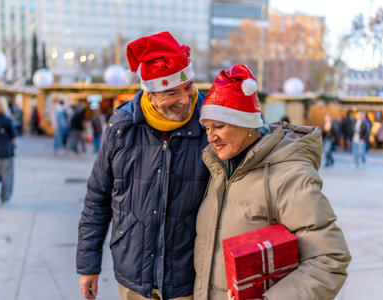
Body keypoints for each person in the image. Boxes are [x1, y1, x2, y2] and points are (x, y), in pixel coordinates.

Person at [193, 64, 351, 299]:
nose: (210, 136)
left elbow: (329, 259)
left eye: (219, 126)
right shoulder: (220, 168)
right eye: (207, 127)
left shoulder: (290, 175)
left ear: (247, 125)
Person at [76, 31, 210, 300]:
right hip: (133, 274)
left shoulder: (210, 123)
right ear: (149, 93)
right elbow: (97, 199)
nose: (185, 99)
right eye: (172, 91)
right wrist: (88, 265)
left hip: (190, 276)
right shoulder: (121, 127)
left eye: (189, 86)